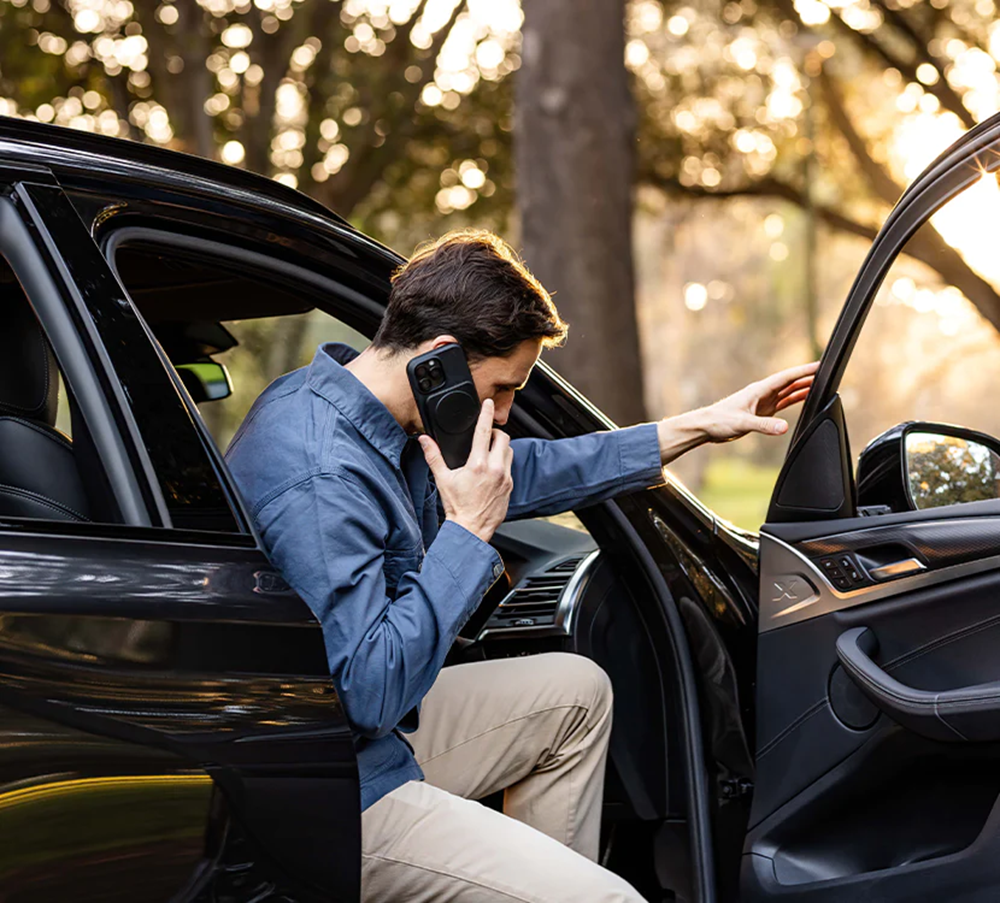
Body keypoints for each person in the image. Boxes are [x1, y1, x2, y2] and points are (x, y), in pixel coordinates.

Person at [226, 230, 816, 902]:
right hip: (332, 785)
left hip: (357, 739)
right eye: (502, 388)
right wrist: (467, 531)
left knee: (574, 693)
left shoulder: (361, 414)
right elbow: (368, 693)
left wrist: (702, 424)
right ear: (439, 363)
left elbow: (531, 469)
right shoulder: (322, 475)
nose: (506, 414)